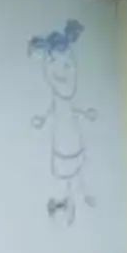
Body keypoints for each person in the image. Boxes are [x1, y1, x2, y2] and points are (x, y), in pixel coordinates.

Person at [30, 20, 97, 224]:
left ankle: (80, 196)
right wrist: (42, 119)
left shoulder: (66, 100)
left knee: (76, 171)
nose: (63, 72)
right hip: (63, 142)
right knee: (65, 173)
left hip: (72, 139)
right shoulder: (57, 101)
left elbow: (71, 109)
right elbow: (53, 110)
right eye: (55, 64)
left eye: (68, 65)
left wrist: (86, 113)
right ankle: (64, 202)